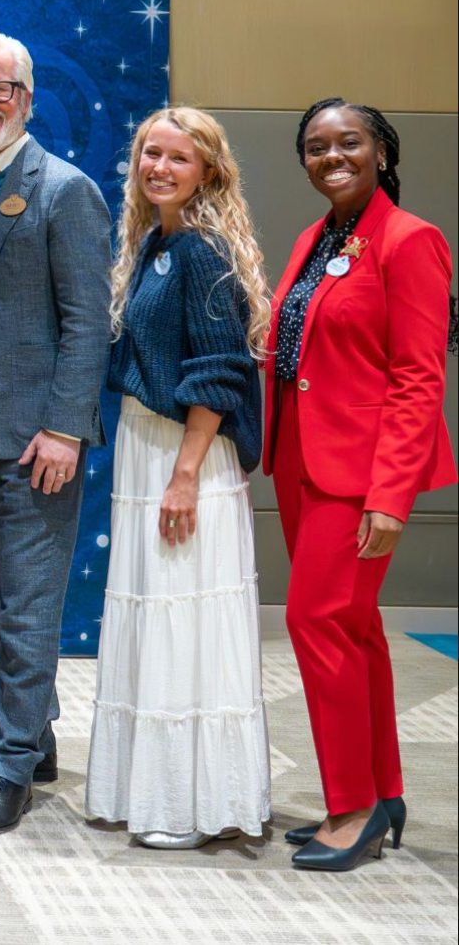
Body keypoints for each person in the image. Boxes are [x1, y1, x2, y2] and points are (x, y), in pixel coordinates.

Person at [0, 31, 112, 836]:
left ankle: (11, 768)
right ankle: (30, 737)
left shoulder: (63, 191)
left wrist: (66, 430)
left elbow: (87, 324)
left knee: (30, 605)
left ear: (27, 99)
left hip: (40, 439)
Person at [267, 98, 454, 872]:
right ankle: (383, 792)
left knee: (316, 625)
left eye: (348, 142)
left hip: (360, 474)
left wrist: (390, 495)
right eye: (316, 146)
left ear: (382, 151)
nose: (331, 156)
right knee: (356, 631)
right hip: (300, 465)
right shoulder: (318, 238)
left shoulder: (411, 243)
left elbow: (419, 380)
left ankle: (351, 808)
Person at [85, 107, 271, 849]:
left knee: (181, 619)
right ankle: (148, 790)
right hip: (145, 446)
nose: (158, 168)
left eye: (178, 159)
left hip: (184, 455)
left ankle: (187, 807)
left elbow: (219, 371)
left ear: (210, 172)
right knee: (151, 612)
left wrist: (186, 475)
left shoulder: (202, 250)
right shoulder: (156, 242)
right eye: (148, 154)